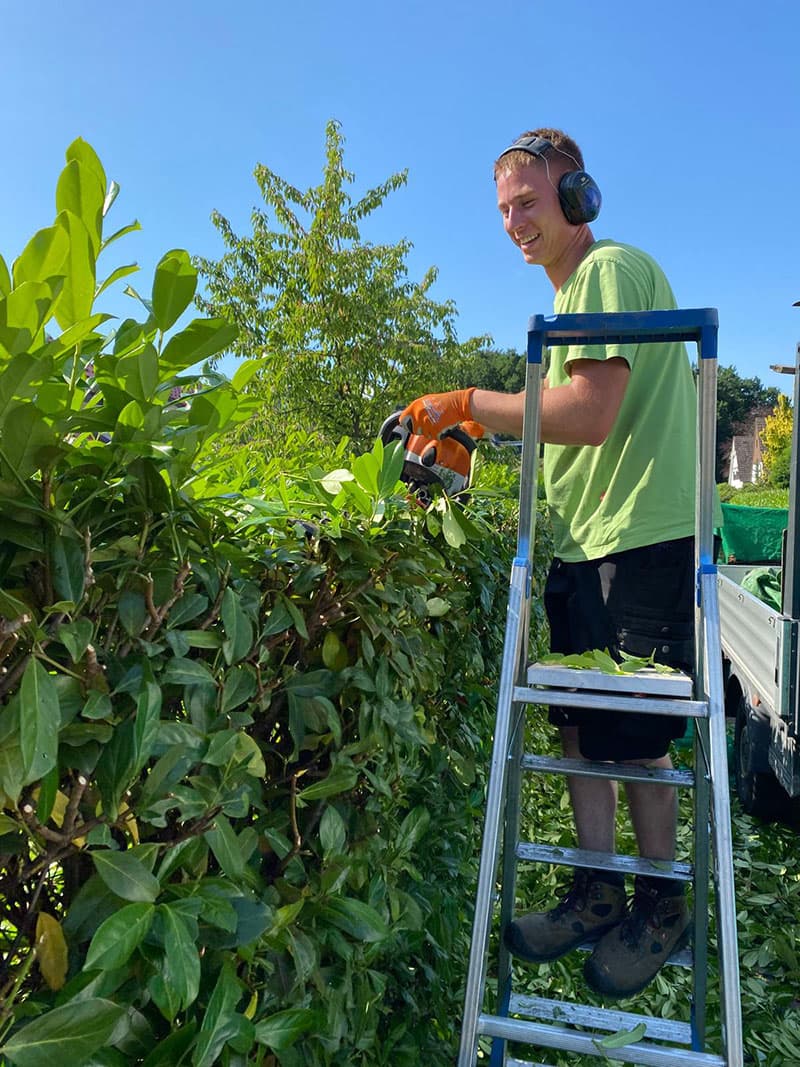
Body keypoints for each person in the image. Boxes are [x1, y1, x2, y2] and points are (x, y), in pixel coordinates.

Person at [399, 128, 698, 999]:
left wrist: (467, 404)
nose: (514, 221)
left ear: (579, 196)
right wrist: (466, 444)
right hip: (583, 537)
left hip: (639, 536)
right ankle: (596, 892)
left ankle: (659, 905)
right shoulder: (570, 304)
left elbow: (590, 412)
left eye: (529, 201)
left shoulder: (606, 270)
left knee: (634, 742)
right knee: (578, 725)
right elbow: (560, 426)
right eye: (503, 209)